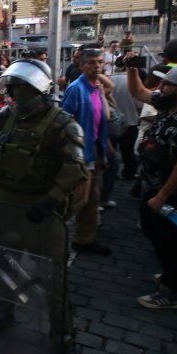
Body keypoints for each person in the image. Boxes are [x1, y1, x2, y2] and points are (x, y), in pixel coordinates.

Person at [0, 59, 88, 354]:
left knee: (53, 277)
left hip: (43, 213)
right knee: (4, 264)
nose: (17, 96)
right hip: (6, 207)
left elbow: (74, 167)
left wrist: (51, 200)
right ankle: (2, 311)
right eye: (14, 89)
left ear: (41, 91)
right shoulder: (3, 119)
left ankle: (63, 333)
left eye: (24, 90)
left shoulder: (62, 124)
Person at [125, 55, 177, 309]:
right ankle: (173, 276)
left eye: (167, 85)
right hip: (152, 186)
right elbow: (138, 91)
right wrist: (131, 68)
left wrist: (163, 195)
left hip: (173, 193)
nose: (160, 89)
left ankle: (173, 290)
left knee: (172, 240)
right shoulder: (168, 103)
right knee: (153, 231)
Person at [61, 47, 113, 255]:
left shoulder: (96, 88)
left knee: (93, 198)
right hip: (81, 153)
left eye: (100, 62)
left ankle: (84, 239)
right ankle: (49, 234)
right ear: (81, 65)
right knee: (78, 199)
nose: (96, 66)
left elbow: (102, 118)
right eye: (91, 62)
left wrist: (104, 143)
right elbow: (66, 121)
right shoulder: (76, 89)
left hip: (95, 149)